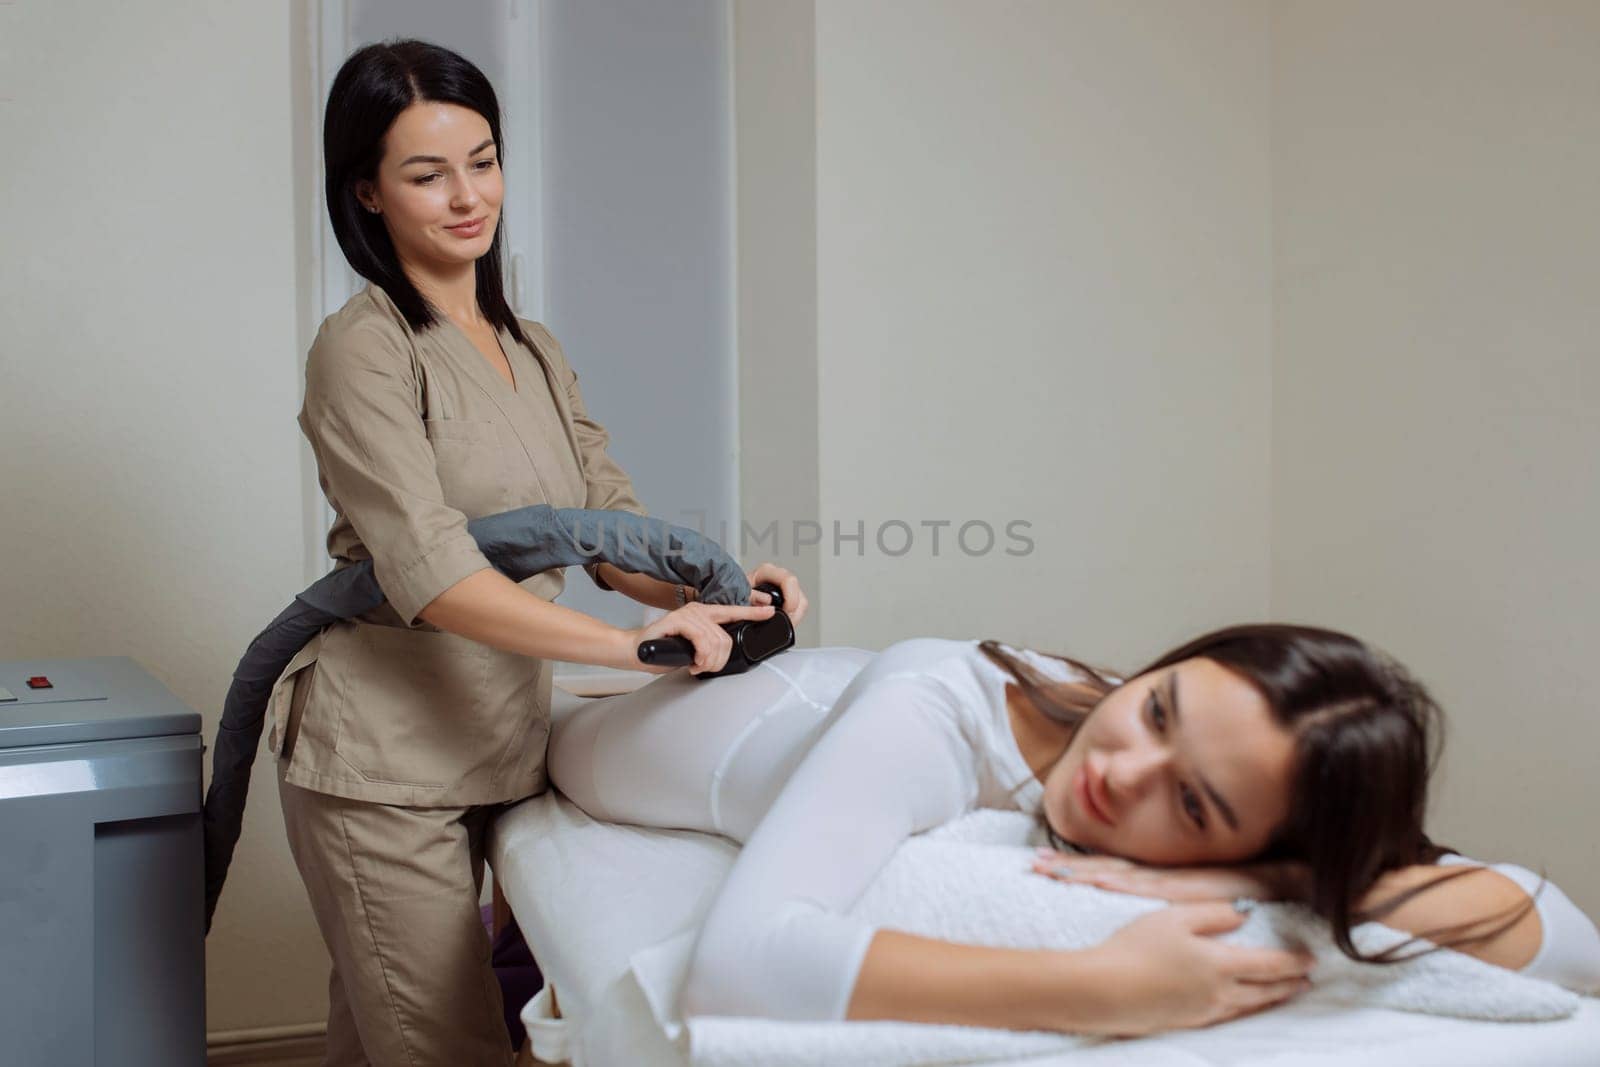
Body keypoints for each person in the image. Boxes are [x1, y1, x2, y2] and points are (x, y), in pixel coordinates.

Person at [272, 39, 803, 1066]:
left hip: (496, 739)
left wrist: (721, 591)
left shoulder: (532, 346)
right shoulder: (364, 348)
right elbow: (431, 569)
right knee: (442, 1043)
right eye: (427, 175)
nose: (468, 195)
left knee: (376, 1034)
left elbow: (608, 531)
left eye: (483, 159)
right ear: (368, 194)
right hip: (385, 760)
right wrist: (638, 650)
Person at [548, 625, 1600, 1037]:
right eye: (1155, 708)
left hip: (831, 704)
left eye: (1191, 803)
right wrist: (1102, 987)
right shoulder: (936, 712)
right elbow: (736, 965)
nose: (1116, 769)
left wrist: (1271, 873)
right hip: (605, 723)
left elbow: (1561, 932)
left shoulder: (1242, 808)